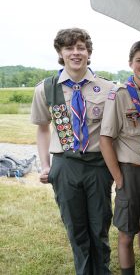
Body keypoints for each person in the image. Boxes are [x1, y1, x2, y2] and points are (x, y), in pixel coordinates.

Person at [31, 28, 114, 274]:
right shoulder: (47, 89)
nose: (75, 53)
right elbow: (43, 128)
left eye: (80, 47)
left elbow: (113, 133)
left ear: (88, 52)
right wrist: (46, 165)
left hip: (98, 165)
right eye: (69, 48)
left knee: (99, 227)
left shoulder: (107, 88)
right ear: (60, 52)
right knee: (76, 229)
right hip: (65, 164)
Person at [100, 41, 140, 275]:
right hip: (130, 172)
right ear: (130, 63)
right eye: (139, 60)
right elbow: (106, 138)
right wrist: (118, 177)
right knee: (127, 233)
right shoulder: (119, 95)